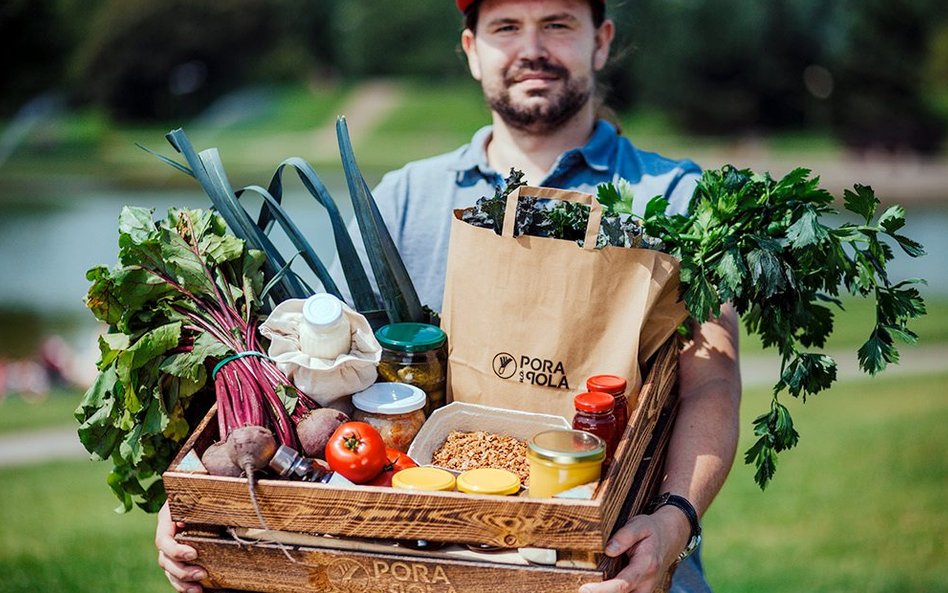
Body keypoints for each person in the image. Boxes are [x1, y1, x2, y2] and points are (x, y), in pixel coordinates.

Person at [156, 1, 742, 593]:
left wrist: (673, 523)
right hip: (430, 558)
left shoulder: (677, 197)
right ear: (471, 50)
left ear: (601, 40)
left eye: (558, 24)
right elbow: (307, 366)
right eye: (506, 27)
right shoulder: (406, 198)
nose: (531, 48)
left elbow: (713, 383)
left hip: (619, 562)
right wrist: (203, 489)